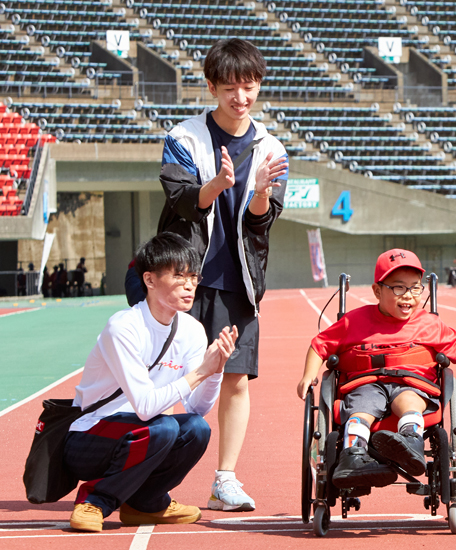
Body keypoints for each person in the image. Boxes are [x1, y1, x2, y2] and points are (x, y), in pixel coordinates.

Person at [157, 37, 289, 512]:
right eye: (231, 87)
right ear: (211, 86)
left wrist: (257, 194)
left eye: (249, 87)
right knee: (166, 376)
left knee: (234, 380)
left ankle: (225, 480)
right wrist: (214, 185)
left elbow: (263, 220)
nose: (241, 97)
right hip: (182, 278)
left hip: (239, 281)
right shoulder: (184, 136)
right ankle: (151, 477)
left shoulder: (272, 147)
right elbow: (179, 199)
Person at [64, 233, 238, 532]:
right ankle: (94, 500)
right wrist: (199, 372)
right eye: (179, 275)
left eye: (194, 277)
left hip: (141, 431)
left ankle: (145, 502)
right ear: (150, 280)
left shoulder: (192, 330)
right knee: (163, 426)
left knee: (197, 430)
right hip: (89, 437)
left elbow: (197, 409)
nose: (189, 285)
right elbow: (145, 407)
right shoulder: (124, 327)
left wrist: (216, 370)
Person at [296, 249, 456, 488]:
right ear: (377, 291)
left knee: (409, 401)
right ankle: (353, 458)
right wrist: (308, 375)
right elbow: (319, 345)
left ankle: (409, 443)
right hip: (366, 384)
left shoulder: (429, 323)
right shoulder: (355, 321)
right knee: (361, 409)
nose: (408, 296)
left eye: (415, 288)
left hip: (411, 383)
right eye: (398, 288)